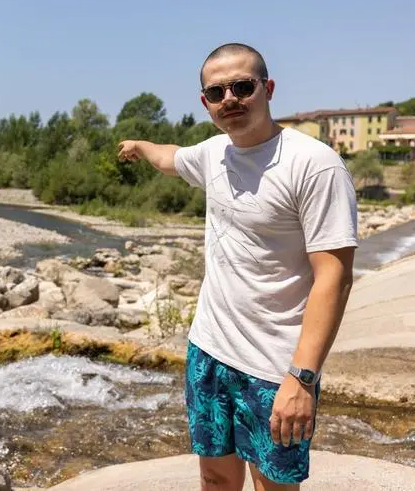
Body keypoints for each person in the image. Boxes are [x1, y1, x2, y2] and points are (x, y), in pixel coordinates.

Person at [117, 43, 357, 490]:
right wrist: (140, 145)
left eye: (242, 87)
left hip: (274, 366)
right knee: (215, 479)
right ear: (205, 103)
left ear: (267, 89)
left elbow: (335, 277)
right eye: (216, 92)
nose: (230, 99)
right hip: (208, 350)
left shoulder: (315, 165)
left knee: (273, 486)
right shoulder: (214, 153)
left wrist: (302, 379)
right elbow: (171, 157)